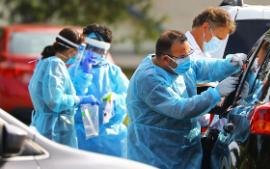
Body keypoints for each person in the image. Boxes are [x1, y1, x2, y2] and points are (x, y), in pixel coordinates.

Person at [126, 30, 246, 169]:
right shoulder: (149, 79)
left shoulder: (178, 65)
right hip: (155, 152)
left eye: (189, 53)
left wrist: (230, 64)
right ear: (166, 59)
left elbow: (205, 67)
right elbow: (180, 109)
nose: (188, 59)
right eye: (183, 56)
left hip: (184, 148)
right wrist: (216, 93)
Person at [29, 28, 99, 148]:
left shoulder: (46, 62)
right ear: (71, 50)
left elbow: (58, 93)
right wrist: (80, 100)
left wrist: (84, 74)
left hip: (48, 128)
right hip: (54, 131)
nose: (79, 55)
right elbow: (54, 101)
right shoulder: (55, 64)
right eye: (79, 50)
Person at [69, 24, 129, 157]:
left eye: (99, 50)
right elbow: (67, 100)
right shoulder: (74, 70)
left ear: (106, 51)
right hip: (80, 139)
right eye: (90, 48)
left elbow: (129, 98)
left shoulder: (113, 72)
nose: (93, 53)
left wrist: (114, 101)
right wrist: (83, 76)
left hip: (111, 139)